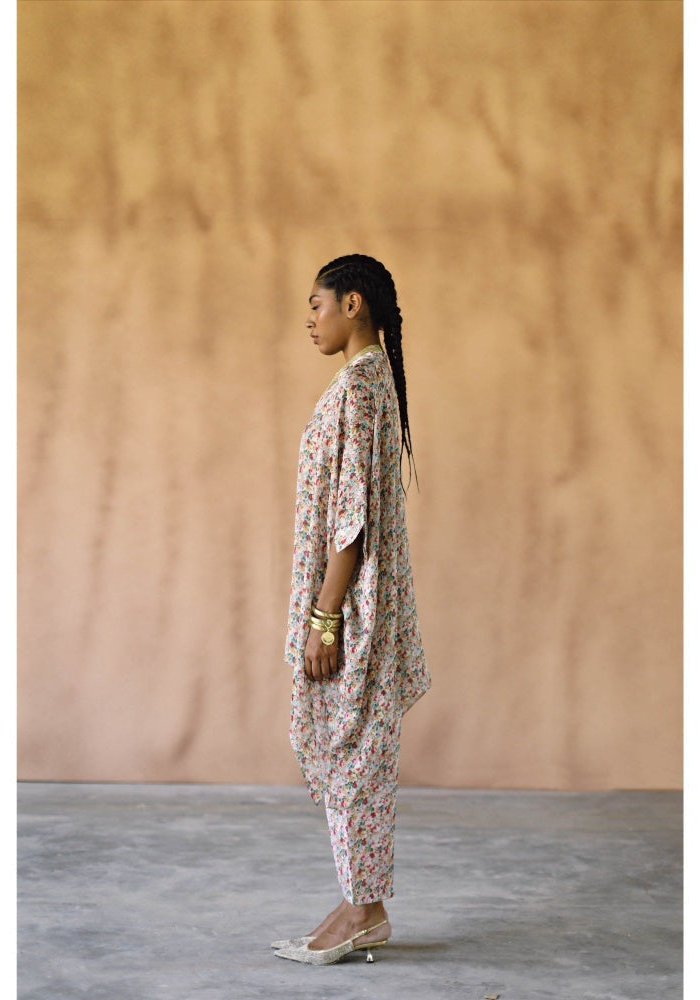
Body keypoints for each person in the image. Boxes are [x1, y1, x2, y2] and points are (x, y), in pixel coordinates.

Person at [272, 254, 432, 966]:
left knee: (356, 753)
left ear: (353, 304)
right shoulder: (365, 383)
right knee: (352, 752)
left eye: (317, 304)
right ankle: (355, 901)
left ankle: (366, 909)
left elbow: (351, 523)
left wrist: (326, 618)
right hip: (354, 602)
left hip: (353, 609)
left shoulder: (362, 389)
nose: (310, 320)